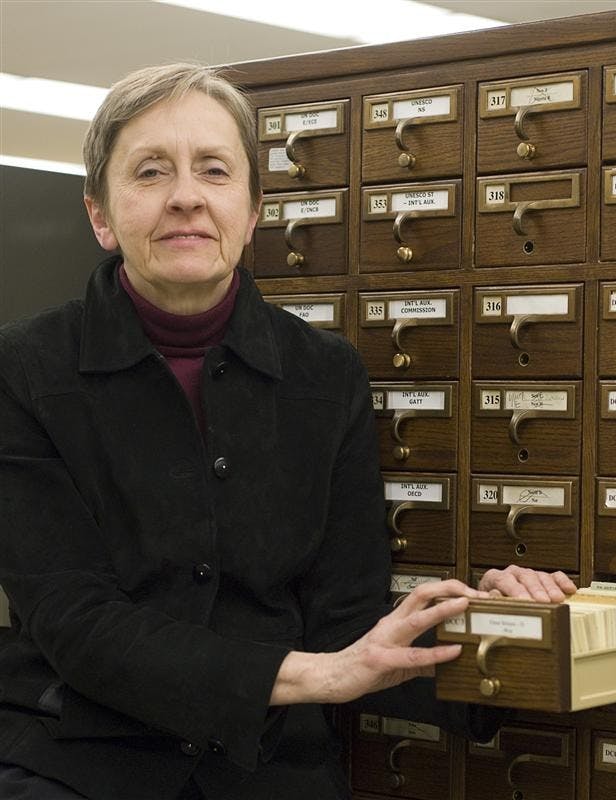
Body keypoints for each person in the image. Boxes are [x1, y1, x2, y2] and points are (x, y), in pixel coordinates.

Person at [0, 63, 576, 800]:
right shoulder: (23, 370)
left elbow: (347, 619)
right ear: (101, 215)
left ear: (253, 208)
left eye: (214, 169)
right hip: (80, 760)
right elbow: (77, 623)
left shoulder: (324, 375)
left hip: (269, 770)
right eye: (150, 172)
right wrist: (312, 674)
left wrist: (499, 627)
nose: (186, 196)